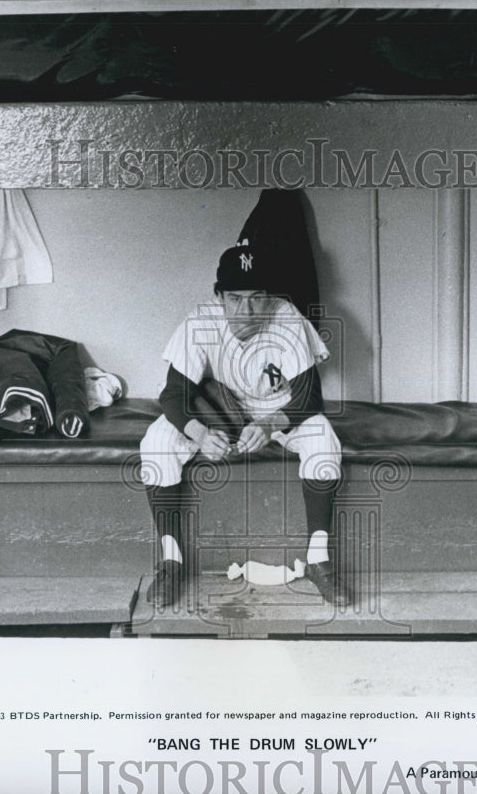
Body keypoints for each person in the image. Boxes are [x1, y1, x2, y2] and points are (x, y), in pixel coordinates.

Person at [139, 243, 349, 608]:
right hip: (222, 412)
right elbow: (173, 395)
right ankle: (171, 561)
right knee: (156, 440)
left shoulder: (287, 318)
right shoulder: (201, 320)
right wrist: (201, 434)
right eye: (235, 299)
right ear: (219, 297)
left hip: (277, 411)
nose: (246, 310)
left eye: (256, 298)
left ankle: (318, 561)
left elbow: (309, 396)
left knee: (324, 438)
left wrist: (269, 425)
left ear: (269, 299)